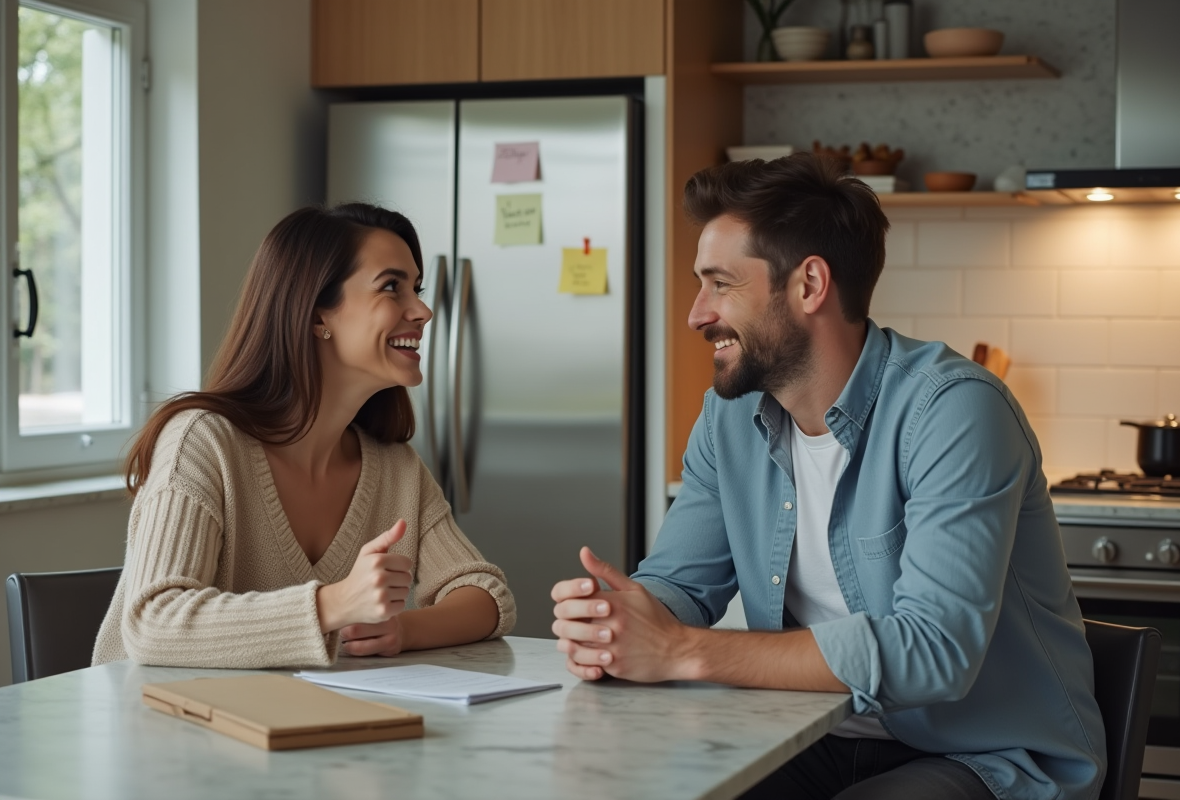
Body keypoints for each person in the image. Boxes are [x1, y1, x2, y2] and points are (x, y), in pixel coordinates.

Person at [551, 154, 1104, 800]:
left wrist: (681, 651)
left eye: (720, 284)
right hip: (813, 735)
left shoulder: (955, 411)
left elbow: (933, 651)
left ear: (809, 285)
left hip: (987, 754)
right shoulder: (728, 419)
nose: (698, 313)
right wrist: (621, 620)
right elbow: (678, 582)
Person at [94, 203, 515, 669]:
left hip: (292, 730)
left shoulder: (396, 469)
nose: (423, 310)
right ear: (318, 316)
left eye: (415, 289)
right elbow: (155, 623)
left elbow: (485, 595)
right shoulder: (202, 442)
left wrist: (400, 629)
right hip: (155, 732)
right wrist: (335, 604)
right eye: (391, 288)